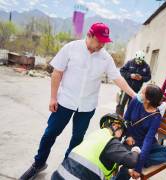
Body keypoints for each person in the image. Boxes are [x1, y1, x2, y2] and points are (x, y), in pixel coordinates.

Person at [19, 22, 136, 180]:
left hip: (87, 107)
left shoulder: (105, 58)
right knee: (50, 134)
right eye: (100, 40)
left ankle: (68, 166)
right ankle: (38, 163)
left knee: (77, 140)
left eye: (105, 41)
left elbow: (117, 78)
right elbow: (57, 73)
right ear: (90, 35)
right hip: (64, 102)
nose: (102, 44)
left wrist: (134, 95)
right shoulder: (71, 48)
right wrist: (53, 97)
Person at [51, 113, 140, 180]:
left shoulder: (94, 135)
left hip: (58, 175)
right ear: (115, 126)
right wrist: (135, 149)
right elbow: (132, 161)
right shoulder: (109, 140)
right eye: (121, 131)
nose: (121, 136)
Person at [116, 84, 166, 180]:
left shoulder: (156, 117)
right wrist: (128, 135)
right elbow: (125, 120)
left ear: (148, 100)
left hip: (147, 144)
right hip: (131, 143)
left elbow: (148, 141)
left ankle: (137, 160)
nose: (139, 94)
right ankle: (134, 160)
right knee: (128, 165)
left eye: (142, 93)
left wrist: (138, 166)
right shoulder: (135, 101)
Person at [116, 50, 151, 116]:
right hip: (126, 87)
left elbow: (148, 77)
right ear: (135, 58)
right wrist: (130, 75)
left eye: (140, 61)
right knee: (121, 104)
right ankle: (118, 118)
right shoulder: (130, 63)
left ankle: (127, 120)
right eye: (137, 61)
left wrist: (141, 78)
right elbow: (122, 71)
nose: (138, 63)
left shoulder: (146, 66)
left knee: (131, 105)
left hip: (136, 89)